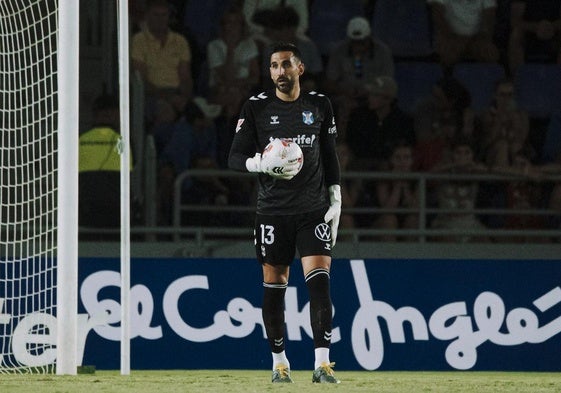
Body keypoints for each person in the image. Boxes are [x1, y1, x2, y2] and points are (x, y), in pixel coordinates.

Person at [228, 42, 341, 384]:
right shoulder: (256, 108)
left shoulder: (319, 105)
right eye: (274, 66)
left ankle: (322, 365)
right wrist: (259, 163)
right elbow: (234, 158)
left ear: (300, 69)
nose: (280, 71)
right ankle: (280, 364)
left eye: (286, 65)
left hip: (313, 210)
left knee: (320, 286)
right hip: (273, 213)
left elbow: (330, 155)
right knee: (274, 289)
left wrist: (336, 196)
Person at [323, 16, 394, 138]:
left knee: (380, 102)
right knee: (343, 107)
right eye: (355, 43)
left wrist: (369, 91)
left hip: (374, 95)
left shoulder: (383, 52)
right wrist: (346, 91)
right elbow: (329, 82)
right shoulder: (338, 51)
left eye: (362, 43)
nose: (358, 46)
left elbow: (388, 83)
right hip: (345, 96)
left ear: (369, 38)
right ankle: (342, 147)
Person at [131, 0, 194, 126]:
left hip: (177, 93)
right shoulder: (138, 40)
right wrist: (168, 98)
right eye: (156, 15)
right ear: (147, 16)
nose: (160, 19)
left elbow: (185, 77)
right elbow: (141, 81)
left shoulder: (180, 41)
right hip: (150, 95)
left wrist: (185, 99)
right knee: (166, 112)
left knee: (201, 117)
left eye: (164, 15)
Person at [79, 94, 133, 237]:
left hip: (85, 213)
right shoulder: (122, 141)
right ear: (112, 113)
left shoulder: (80, 140)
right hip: (116, 212)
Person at [427, 0, 500, 69]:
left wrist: (471, 40)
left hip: (477, 39)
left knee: (490, 53)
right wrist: (454, 38)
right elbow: (438, 15)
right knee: (448, 54)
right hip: (449, 38)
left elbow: (489, 18)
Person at [508, 0, 561, 73]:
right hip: (528, 32)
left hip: (554, 32)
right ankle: (519, 77)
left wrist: (552, 27)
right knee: (516, 34)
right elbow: (514, 21)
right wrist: (536, 27)